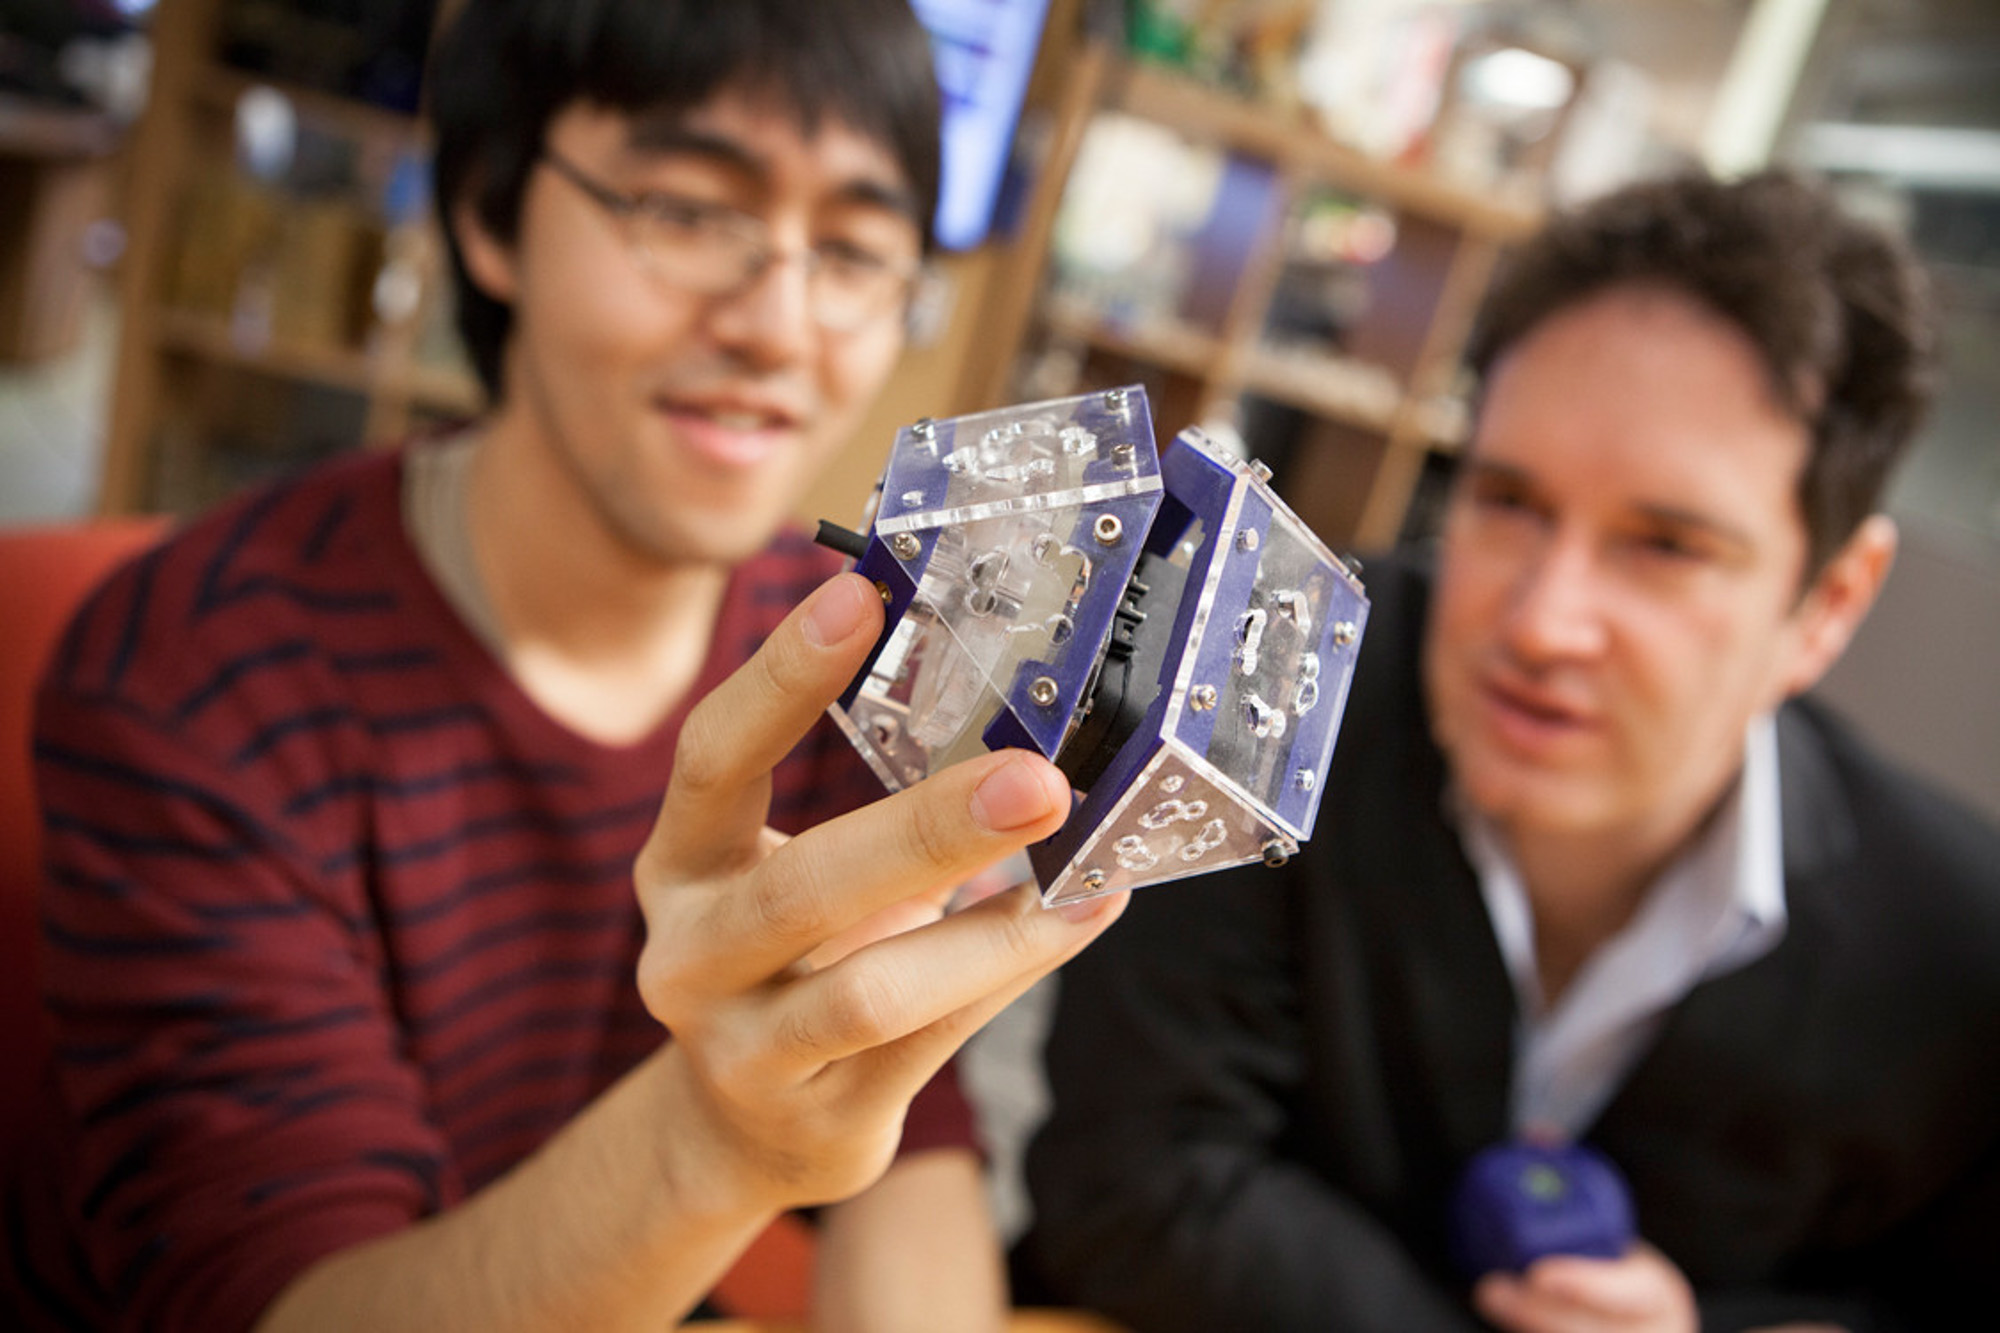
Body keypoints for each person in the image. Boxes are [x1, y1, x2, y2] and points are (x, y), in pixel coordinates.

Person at [3, 2, 1127, 1330]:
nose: (780, 323)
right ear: (488, 214)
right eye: (689, 208)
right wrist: (715, 1138)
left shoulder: (848, 655)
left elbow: (908, 1128)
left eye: (854, 248)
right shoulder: (203, 675)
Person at [1018, 169, 2000, 1332]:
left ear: (1828, 602)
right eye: (1506, 501)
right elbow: (1127, 1184)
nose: (1539, 620)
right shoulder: (1250, 688)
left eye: (1665, 545)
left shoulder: (1956, 949)